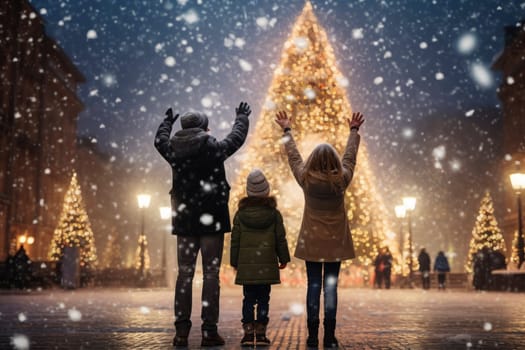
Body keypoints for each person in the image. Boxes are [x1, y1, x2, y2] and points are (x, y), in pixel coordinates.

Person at [154, 102, 251, 347]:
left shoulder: (173, 149)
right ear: (204, 128)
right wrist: (241, 117)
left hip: (185, 221)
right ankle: (209, 331)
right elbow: (235, 139)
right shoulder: (212, 148)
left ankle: (181, 332)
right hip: (212, 220)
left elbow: (159, 141)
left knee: (184, 275)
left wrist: (167, 123)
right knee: (211, 275)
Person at [274, 110, 364, 348]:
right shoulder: (341, 180)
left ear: (312, 160)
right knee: (331, 288)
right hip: (335, 241)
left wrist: (287, 130)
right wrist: (353, 131)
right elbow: (350, 158)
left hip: (312, 240)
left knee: (313, 286)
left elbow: (293, 157)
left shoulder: (305, 178)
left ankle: (312, 333)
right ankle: (330, 334)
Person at [230, 169, 291, 346]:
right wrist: (283, 258)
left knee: (248, 299)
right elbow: (280, 237)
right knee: (264, 299)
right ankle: (262, 334)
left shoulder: (240, 215)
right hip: (266, 266)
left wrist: (235, 261)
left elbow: (235, 240)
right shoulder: (274, 214)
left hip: (247, 266)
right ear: (267, 191)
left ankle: (248, 333)